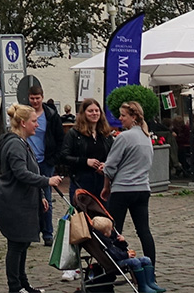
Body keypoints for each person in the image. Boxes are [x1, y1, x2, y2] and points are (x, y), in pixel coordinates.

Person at [0, 102, 66, 293]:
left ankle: (23, 284)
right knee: (17, 245)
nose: (38, 125)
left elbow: (30, 170)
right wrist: (46, 181)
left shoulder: (23, 143)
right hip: (13, 202)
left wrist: (41, 194)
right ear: (23, 123)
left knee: (23, 243)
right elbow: (21, 173)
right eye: (34, 121)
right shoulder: (15, 145)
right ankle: (15, 287)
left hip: (25, 200)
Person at [57, 98, 112, 282]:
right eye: (90, 111)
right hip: (81, 182)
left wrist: (107, 165)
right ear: (84, 113)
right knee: (80, 224)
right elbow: (64, 156)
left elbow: (112, 154)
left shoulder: (105, 134)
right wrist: (85, 161)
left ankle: (102, 260)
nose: (94, 114)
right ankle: (73, 266)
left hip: (101, 182)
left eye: (97, 111)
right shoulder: (74, 134)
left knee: (101, 222)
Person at [100, 102, 156, 271]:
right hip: (142, 188)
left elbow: (109, 166)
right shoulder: (147, 138)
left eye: (123, 115)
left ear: (134, 117)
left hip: (123, 189)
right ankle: (150, 268)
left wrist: (106, 186)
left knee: (114, 230)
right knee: (144, 231)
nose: (120, 118)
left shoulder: (124, 137)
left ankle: (115, 265)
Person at [21, 80, 65, 247]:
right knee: (28, 197)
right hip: (28, 160)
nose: (35, 101)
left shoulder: (51, 115)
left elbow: (59, 139)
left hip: (45, 160)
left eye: (37, 98)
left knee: (46, 197)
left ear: (42, 97)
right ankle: (31, 232)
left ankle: (47, 233)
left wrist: (53, 159)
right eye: (32, 98)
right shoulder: (24, 114)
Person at [86, 214, 164, 293]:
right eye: (110, 230)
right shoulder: (105, 244)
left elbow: (121, 248)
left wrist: (122, 242)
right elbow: (114, 254)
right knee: (135, 262)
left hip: (122, 258)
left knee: (146, 260)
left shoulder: (111, 238)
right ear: (105, 233)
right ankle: (143, 286)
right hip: (116, 263)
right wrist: (126, 255)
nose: (112, 231)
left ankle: (150, 283)